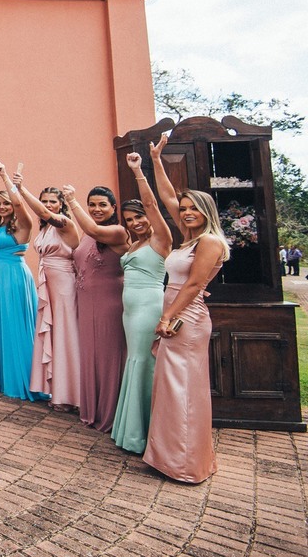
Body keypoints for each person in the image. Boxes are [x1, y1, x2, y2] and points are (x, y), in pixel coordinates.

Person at [144, 134, 228, 483]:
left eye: (194, 208)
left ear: (207, 212)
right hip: (176, 314)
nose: (187, 213)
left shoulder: (209, 242)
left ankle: (185, 464)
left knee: (184, 390)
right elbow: (168, 197)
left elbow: (194, 285)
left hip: (186, 319)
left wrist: (167, 316)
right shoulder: (189, 237)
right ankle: (168, 457)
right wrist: (156, 160)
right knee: (170, 387)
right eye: (185, 209)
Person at [111, 153, 171, 454]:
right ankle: (130, 429)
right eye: (130, 220)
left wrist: (137, 171)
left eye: (139, 217)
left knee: (144, 362)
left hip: (149, 308)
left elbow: (151, 204)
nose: (135, 223)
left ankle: (143, 434)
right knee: (135, 361)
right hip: (129, 311)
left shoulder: (161, 239)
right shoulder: (134, 244)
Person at [61, 183, 127, 433]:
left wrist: (72, 200)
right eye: (92, 205)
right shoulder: (87, 233)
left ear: (113, 208)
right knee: (90, 354)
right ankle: (93, 409)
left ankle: (111, 412)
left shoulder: (117, 232)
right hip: (85, 302)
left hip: (109, 302)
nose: (96, 209)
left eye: (102, 205)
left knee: (108, 356)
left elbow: (93, 228)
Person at [14, 174, 81, 412]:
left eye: (53, 201)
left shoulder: (64, 223)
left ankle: (71, 395)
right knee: (50, 334)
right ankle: (55, 389)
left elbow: (43, 213)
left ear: (61, 204)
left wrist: (22, 188)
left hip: (64, 286)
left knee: (65, 335)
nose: (48, 205)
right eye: (45, 201)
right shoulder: (45, 228)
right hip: (48, 285)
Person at [0, 162, 47, 402]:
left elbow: (20, 205)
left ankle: (23, 379)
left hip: (14, 277)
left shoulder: (24, 224)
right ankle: (3, 376)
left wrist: (5, 179)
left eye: (6, 203)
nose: (2, 207)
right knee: (1, 323)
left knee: (14, 324)